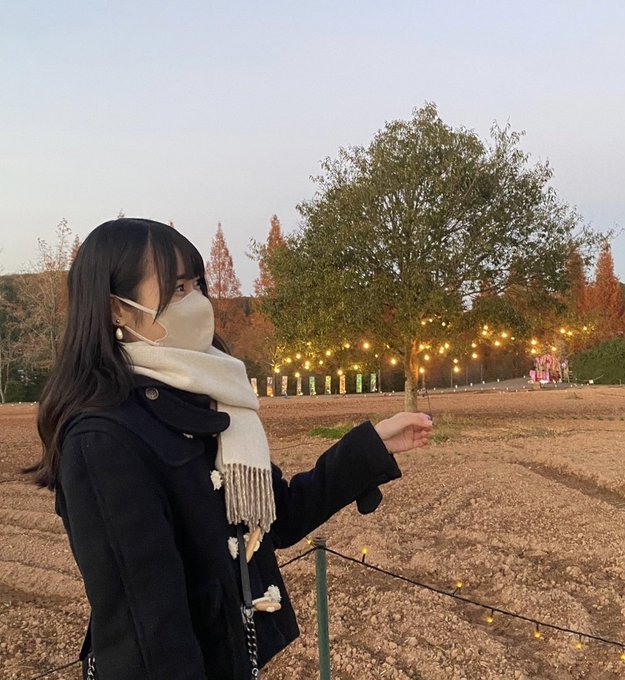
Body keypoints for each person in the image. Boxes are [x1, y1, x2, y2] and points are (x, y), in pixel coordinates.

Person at [27, 218, 433, 680]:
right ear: (116, 309)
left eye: (197, 285)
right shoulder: (102, 439)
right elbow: (149, 631)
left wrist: (372, 446)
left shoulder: (212, 398)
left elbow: (274, 517)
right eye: (177, 289)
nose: (198, 301)